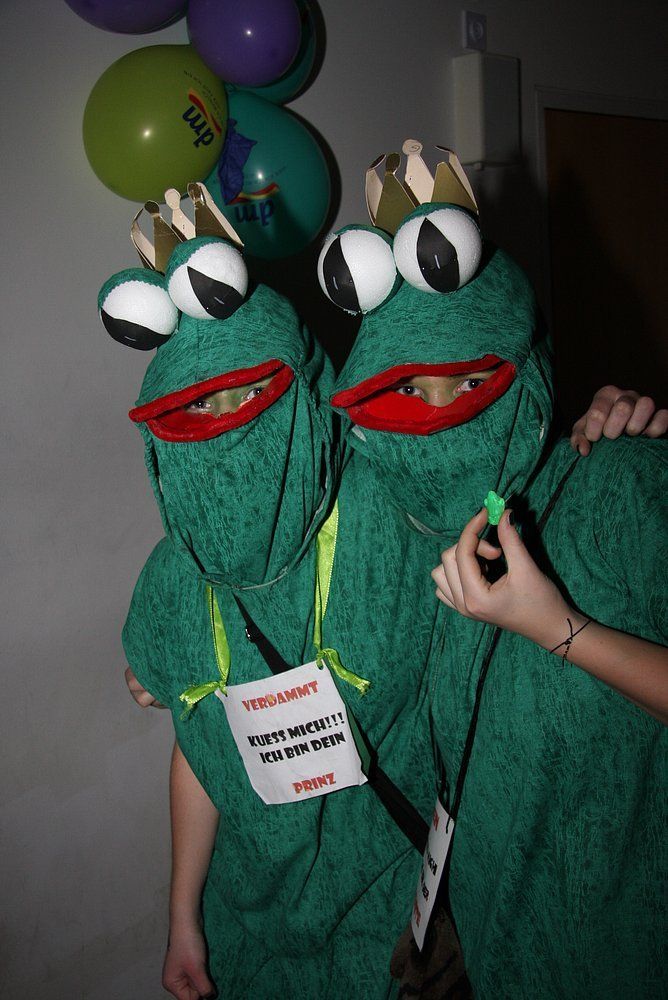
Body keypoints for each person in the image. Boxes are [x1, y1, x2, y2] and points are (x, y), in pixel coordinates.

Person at [324, 152, 667, 997]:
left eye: (472, 380)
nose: (442, 417)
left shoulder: (621, 482)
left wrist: (559, 629)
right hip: (499, 944)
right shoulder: (414, 525)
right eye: (412, 392)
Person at [103, 192, 442, 1000]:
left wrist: (598, 427)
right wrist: (183, 918)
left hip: (391, 913)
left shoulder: (390, 515)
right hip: (249, 925)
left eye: (247, 395)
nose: (229, 429)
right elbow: (202, 750)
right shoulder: (175, 576)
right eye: (200, 405)